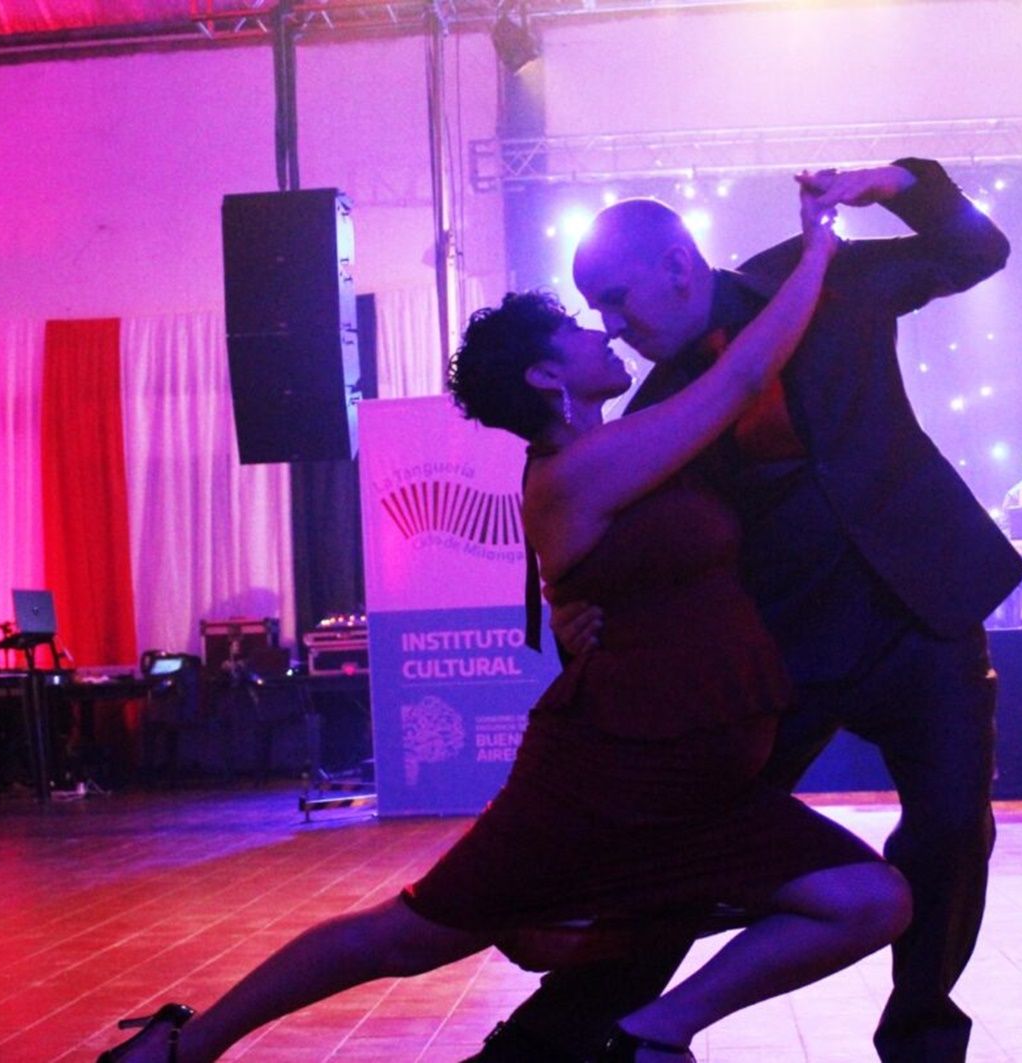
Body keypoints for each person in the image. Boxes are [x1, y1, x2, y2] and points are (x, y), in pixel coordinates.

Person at [99, 183, 909, 1063]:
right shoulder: (573, 473)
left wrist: (576, 609)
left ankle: (653, 1031)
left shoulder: (631, 443)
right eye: (578, 328)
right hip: (607, 779)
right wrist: (817, 247)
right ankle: (186, 1044)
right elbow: (744, 377)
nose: (603, 332)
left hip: (699, 787)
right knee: (409, 936)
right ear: (545, 376)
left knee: (872, 899)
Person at [471, 159, 1022, 1063]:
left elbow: (978, 250)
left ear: (677, 265)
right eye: (595, 311)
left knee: (955, 832)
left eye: (615, 299)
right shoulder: (654, 407)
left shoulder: (818, 276)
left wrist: (896, 183)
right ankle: (549, 1046)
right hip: (782, 653)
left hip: (924, 610)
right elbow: (613, 551)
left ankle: (923, 1046)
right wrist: (574, 611)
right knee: (694, 851)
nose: (610, 326)